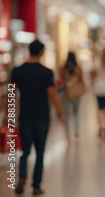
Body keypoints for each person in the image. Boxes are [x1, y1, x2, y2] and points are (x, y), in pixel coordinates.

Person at [7, 39, 66, 195]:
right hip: (42, 117)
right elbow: (52, 94)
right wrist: (61, 112)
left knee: (24, 152)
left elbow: (11, 95)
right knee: (40, 153)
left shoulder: (17, 71)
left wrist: (8, 116)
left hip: (25, 116)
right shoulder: (46, 72)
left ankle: (22, 178)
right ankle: (36, 186)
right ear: (41, 52)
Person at [59, 51, 84, 142]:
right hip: (76, 93)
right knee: (76, 112)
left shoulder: (63, 68)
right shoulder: (78, 68)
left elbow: (60, 80)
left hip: (66, 93)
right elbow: (81, 78)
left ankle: (68, 134)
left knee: (66, 114)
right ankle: (76, 130)